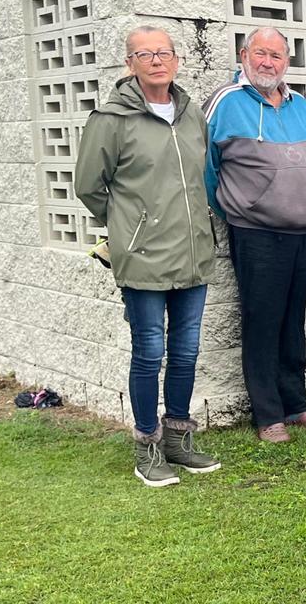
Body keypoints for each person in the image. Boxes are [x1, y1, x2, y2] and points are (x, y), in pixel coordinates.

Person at [74, 26, 220, 487]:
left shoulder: (192, 113)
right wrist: (127, 228)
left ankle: (178, 440)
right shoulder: (111, 119)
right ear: (129, 63)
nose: (156, 60)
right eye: (144, 53)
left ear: (176, 60)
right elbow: (88, 186)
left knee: (185, 351)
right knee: (149, 351)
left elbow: (201, 177)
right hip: (142, 258)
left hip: (193, 253)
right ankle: (147, 447)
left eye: (163, 53)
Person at [203, 27, 306, 443]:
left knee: (293, 320)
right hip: (256, 233)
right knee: (262, 321)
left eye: (276, 56)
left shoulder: (300, 105)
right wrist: (238, 208)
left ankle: (296, 405)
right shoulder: (226, 103)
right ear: (244, 55)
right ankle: (268, 415)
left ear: (286, 62)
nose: (268, 63)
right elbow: (205, 169)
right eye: (260, 53)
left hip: (303, 233)